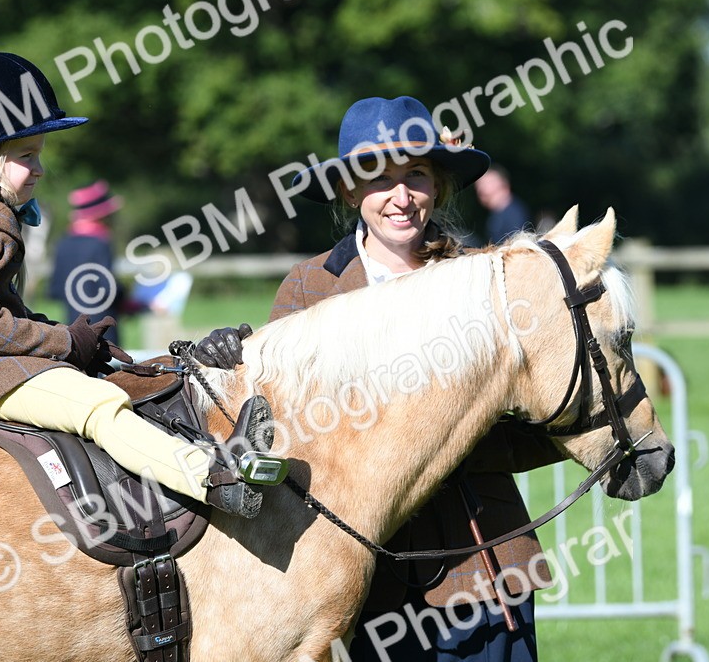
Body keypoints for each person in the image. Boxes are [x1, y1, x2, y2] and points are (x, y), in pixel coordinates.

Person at [196, 97, 565, 660]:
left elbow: (541, 414)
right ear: (350, 191)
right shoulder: (308, 288)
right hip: (358, 574)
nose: (401, 196)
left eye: (416, 174)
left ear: (438, 185)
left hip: (481, 560)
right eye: (378, 178)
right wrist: (226, 367)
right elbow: (280, 432)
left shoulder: (482, 278)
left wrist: (450, 443)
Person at [0, 48, 283, 519]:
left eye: (39, 156)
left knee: (134, 376)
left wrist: (78, 344)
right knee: (99, 403)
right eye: (26, 156)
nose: (40, 169)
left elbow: (8, 311)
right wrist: (63, 342)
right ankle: (216, 479)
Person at [48, 180, 125, 343]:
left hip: (73, 329)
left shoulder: (62, 244)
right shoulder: (100, 243)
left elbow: (55, 290)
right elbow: (108, 288)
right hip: (104, 329)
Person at [474, 167, 531, 245]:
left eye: (486, 183)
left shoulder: (514, 214)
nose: (480, 189)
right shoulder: (497, 214)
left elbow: (517, 248)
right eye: (478, 185)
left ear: (504, 185)